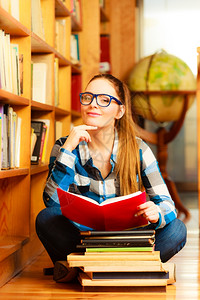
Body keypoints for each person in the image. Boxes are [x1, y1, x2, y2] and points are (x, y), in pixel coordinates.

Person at [36, 73, 187, 282]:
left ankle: (83, 269)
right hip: (83, 240)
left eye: (104, 100)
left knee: (177, 230)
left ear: (120, 111)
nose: (93, 105)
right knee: (45, 219)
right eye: (88, 97)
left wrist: (156, 213)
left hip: (129, 241)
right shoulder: (65, 146)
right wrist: (68, 149)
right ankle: (124, 270)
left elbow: (168, 205)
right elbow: (51, 203)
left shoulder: (138, 149)